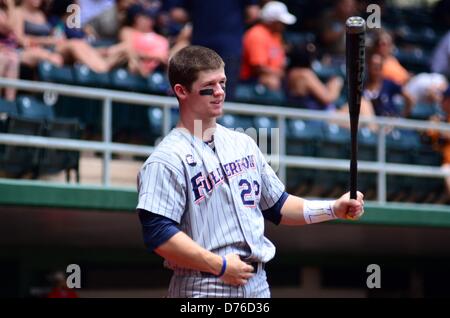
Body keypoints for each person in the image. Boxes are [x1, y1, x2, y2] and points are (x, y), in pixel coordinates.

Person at [136, 45, 365, 298]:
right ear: (181, 91)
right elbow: (158, 233)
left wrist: (333, 208)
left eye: (222, 82)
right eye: (209, 85)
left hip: (257, 285)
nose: (220, 92)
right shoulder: (166, 158)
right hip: (202, 287)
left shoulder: (243, 142)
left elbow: (278, 206)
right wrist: (219, 266)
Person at [240, 1, 295, 92]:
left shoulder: (276, 35)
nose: (284, 26)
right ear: (272, 21)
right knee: (271, 80)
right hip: (251, 80)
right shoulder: (257, 34)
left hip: (274, 76)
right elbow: (258, 68)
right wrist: (283, 74)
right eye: (281, 23)